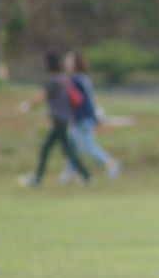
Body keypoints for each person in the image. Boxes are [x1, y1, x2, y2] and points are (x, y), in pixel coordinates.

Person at [18, 51, 91, 188]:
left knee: (54, 149)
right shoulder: (63, 79)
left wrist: (26, 105)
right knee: (62, 150)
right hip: (64, 119)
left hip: (60, 120)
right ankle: (85, 176)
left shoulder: (55, 80)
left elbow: (42, 96)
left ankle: (38, 179)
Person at [61, 50, 121, 181]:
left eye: (69, 61)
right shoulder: (84, 78)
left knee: (87, 146)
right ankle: (71, 170)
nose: (66, 63)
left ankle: (111, 164)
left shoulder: (75, 80)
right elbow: (91, 99)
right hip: (87, 116)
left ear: (75, 64)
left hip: (82, 118)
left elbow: (77, 101)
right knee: (73, 144)